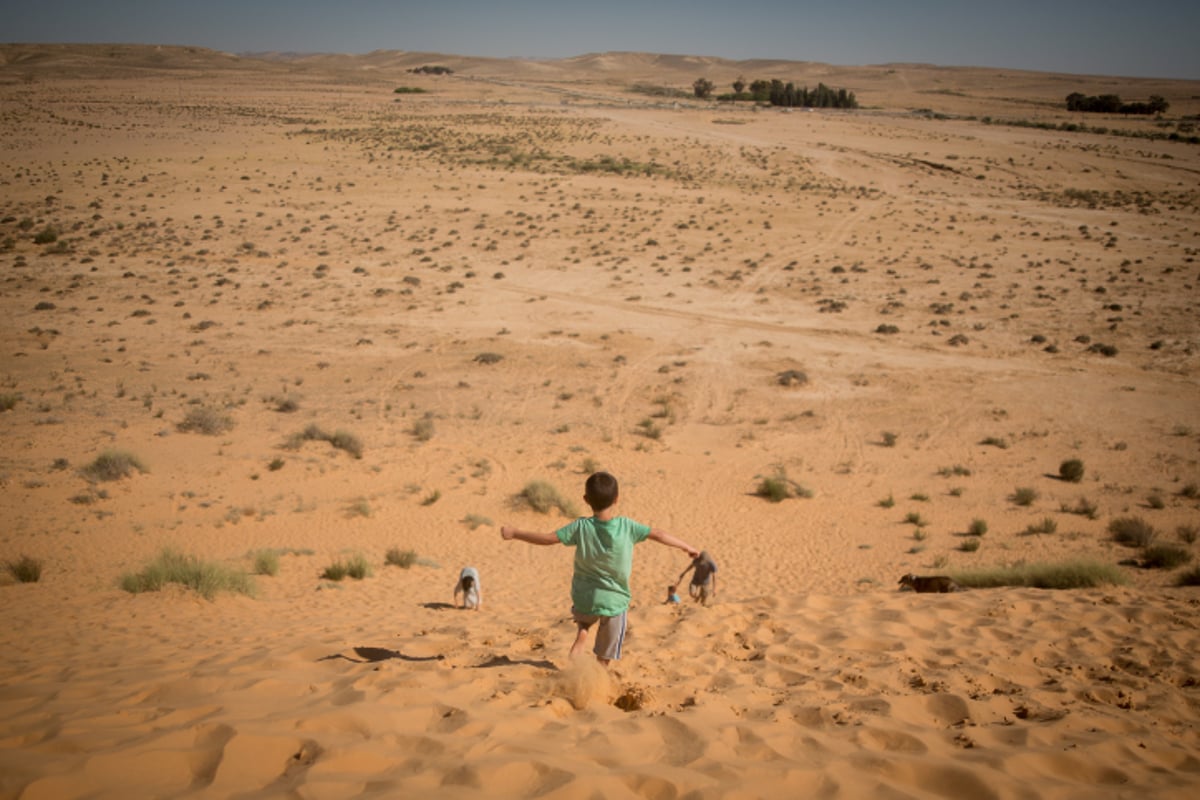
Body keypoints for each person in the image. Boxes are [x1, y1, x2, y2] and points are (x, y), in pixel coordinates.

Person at [500, 471, 698, 666]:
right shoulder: (626, 526)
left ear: (586, 499)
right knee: (604, 655)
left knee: (585, 621)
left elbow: (548, 539)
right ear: (616, 499)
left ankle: (583, 633)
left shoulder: (580, 526)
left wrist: (515, 533)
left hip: (584, 599)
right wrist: (687, 547)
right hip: (614, 601)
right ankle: (596, 677)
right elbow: (659, 534)